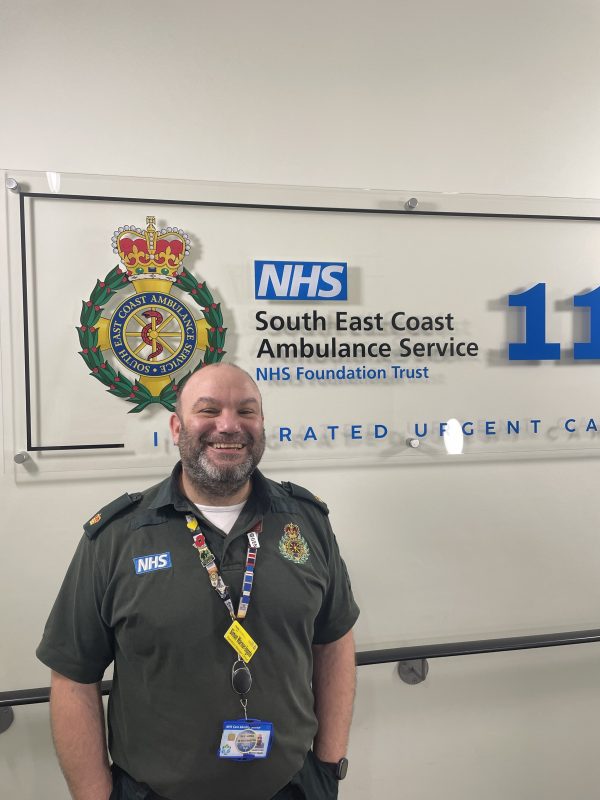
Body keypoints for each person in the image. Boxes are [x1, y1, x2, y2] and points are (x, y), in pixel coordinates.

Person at [37, 363, 359, 800]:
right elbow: (74, 677)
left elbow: (334, 641)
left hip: (292, 788)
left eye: (246, 411)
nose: (229, 425)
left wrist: (328, 766)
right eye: (208, 410)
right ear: (176, 426)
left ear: (261, 425)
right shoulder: (116, 537)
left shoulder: (306, 523)